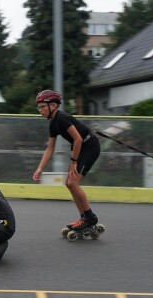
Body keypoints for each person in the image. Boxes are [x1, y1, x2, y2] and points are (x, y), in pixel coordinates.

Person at [32, 90, 101, 231]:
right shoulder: (53, 123)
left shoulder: (62, 118)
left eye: (42, 107)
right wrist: (40, 168)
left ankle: (90, 217)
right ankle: (84, 218)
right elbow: (50, 148)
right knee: (69, 183)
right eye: (39, 107)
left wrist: (74, 161)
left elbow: (77, 139)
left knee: (73, 182)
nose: (40, 110)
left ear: (53, 105)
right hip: (81, 148)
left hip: (90, 147)